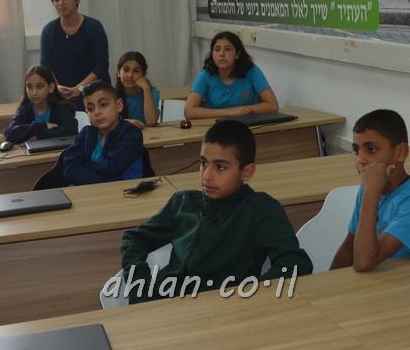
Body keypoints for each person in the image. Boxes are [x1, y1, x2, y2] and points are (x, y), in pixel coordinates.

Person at [118, 120, 312, 304]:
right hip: (164, 304)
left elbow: (295, 262)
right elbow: (133, 239)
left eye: (220, 167)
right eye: (203, 163)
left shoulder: (259, 209)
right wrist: (141, 288)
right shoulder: (183, 202)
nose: (206, 175)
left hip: (222, 309)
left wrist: (247, 297)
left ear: (247, 172)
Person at [330, 109, 410, 272]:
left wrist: (371, 193)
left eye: (371, 149)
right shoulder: (368, 190)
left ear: (400, 152)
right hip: (373, 282)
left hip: (408, 284)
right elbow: (348, 249)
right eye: (356, 150)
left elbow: (363, 262)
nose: (360, 159)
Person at [39, 0, 109, 110]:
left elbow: (101, 66)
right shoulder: (48, 31)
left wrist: (79, 89)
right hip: (61, 95)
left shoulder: (94, 27)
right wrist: (58, 88)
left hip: (93, 92)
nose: (61, 3)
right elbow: (45, 68)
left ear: (77, 0)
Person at [62, 80, 144, 186]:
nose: (97, 112)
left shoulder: (131, 134)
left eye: (103, 104)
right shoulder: (85, 134)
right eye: (90, 109)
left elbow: (113, 167)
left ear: (119, 105)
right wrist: (95, 182)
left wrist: (82, 167)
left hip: (121, 191)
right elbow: (69, 167)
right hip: (86, 191)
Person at [184, 31, 279, 119]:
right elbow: (188, 111)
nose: (221, 54)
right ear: (212, 54)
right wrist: (230, 112)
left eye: (228, 49)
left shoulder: (252, 71)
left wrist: (242, 111)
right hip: (217, 126)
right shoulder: (205, 75)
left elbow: (272, 106)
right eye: (217, 49)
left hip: (248, 123)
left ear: (237, 54)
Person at [3, 65, 78, 144]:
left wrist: (39, 136)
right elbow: (9, 133)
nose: (34, 93)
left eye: (39, 87)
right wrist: (43, 126)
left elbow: (71, 130)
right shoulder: (24, 109)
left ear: (51, 87)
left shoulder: (61, 108)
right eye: (29, 87)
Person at [115, 51, 160, 128]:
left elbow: (151, 121)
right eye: (126, 70)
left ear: (143, 75)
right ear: (119, 73)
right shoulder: (112, 95)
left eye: (136, 71)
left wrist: (146, 89)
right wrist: (126, 123)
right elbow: (109, 123)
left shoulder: (152, 93)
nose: (130, 75)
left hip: (147, 135)